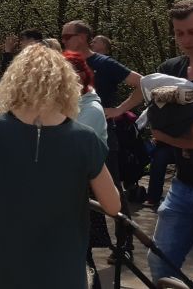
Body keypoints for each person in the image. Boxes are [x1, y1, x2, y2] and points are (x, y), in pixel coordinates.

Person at [110, 0, 193, 282]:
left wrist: (179, 132)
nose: (185, 40)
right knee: (160, 262)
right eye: (179, 33)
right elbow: (158, 131)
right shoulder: (170, 67)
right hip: (182, 186)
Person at [0, 44, 120, 289]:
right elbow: (113, 206)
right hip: (65, 268)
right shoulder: (85, 138)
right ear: (66, 85)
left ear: (14, 82)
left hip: (9, 265)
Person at [64, 19, 143, 252]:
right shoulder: (65, 63)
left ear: (81, 37)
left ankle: (125, 243)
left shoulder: (104, 63)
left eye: (67, 37)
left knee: (112, 190)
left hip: (103, 138)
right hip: (71, 134)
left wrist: (119, 109)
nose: (63, 41)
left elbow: (141, 83)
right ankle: (89, 242)